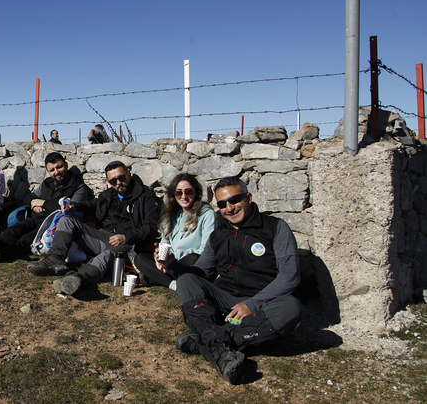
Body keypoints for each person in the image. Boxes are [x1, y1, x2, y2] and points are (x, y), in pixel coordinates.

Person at [158, 176, 302, 384]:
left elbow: (290, 276)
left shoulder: (276, 228)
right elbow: (201, 272)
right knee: (187, 280)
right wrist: (173, 265)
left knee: (292, 307)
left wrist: (251, 304)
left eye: (235, 200)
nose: (230, 208)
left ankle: (208, 339)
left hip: (261, 303)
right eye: (223, 204)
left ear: (249, 197)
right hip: (224, 299)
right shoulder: (218, 234)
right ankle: (220, 346)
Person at [27, 161, 161, 296]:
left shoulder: (146, 197)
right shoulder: (109, 195)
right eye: (113, 181)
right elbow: (94, 204)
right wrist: (75, 206)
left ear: (129, 175)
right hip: (103, 237)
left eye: (121, 178)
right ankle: (55, 259)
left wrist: (126, 237)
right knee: (66, 220)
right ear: (109, 182)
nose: (118, 183)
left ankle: (79, 278)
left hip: (127, 243)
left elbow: (151, 226)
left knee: (108, 254)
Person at [0, 152, 93, 264]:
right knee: (14, 230)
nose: (56, 172)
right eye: (52, 170)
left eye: (59, 167)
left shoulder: (78, 188)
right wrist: (34, 204)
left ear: (65, 165)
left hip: (51, 226)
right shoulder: (47, 183)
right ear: (48, 171)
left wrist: (43, 203)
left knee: (25, 241)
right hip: (36, 217)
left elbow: (68, 211)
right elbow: (28, 198)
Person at [133, 173, 217, 290]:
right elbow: (165, 242)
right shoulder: (173, 214)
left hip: (188, 260)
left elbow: (206, 250)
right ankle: (173, 283)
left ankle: (154, 277)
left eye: (189, 192)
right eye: (179, 193)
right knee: (140, 259)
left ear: (196, 192)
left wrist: (171, 259)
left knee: (193, 258)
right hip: (170, 261)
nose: (184, 196)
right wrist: (160, 258)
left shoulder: (207, 214)